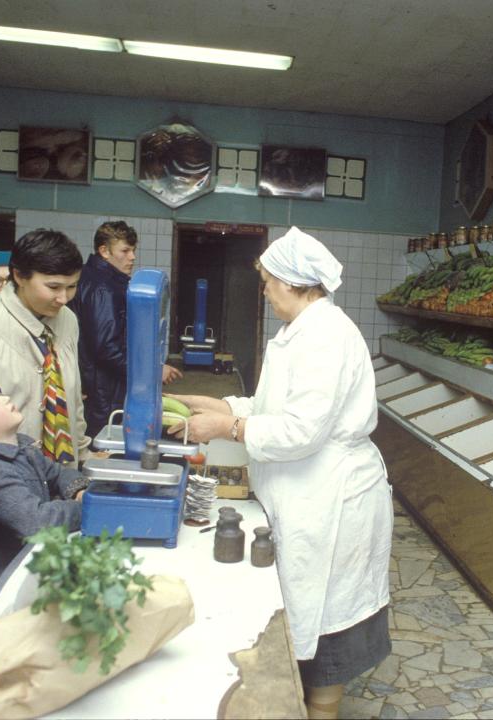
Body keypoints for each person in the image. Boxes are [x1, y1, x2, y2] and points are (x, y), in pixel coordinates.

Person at [169, 227, 392, 719]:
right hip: (303, 490)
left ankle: (321, 710)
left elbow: (301, 432)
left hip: (331, 494)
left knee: (329, 615)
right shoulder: (299, 333)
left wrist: (228, 426)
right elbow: (273, 407)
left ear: (293, 283)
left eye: (269, 282)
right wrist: (214, 404)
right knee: (303, 603)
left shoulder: (326, 338)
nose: (265, 291)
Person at [0, 229, 90, 467]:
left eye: (72, 286)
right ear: (19, 276)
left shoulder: (68, 320)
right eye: (53, 287)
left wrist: (83, 454)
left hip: (59, 471)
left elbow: (72, 399)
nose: (64, 298)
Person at [0, 379, 88, 589]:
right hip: (6, 580)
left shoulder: (23, 447)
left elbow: (58, 473)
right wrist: (87, 506)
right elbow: (36, 522)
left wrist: (78, 489)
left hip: (31, 564)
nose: (4, 398)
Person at [69, 221, 182, 440]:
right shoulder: (103, 289)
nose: (132, 257)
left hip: (98, 387)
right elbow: (106, 348)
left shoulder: (97, 280)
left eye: (133, 251)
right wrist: (150, 373)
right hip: (104, 393)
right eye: (125, 251)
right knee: (106, 447)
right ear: (104, 251)